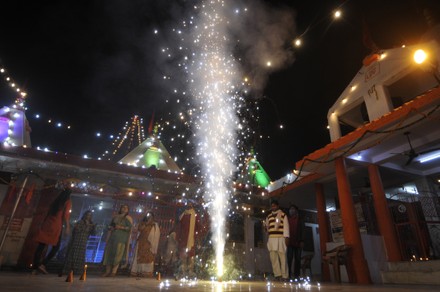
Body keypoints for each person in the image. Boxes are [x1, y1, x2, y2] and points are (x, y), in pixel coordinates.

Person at [32, 188, 72, 275]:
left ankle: (34, 268)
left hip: (47, 223)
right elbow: (66, 216)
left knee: (41, 246)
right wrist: (67, 227)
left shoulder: (56, 201)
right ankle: (43, 264)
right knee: (56, 247)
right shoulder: (67, 202)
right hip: (56, 225)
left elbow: (47, 212)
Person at [60, 210, 96, 277]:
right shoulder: (80, 222)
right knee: (74, 253)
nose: (89, 216)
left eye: (90, 215)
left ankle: (77, 270)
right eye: (88, 215)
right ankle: (69, 270)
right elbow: (76, 230)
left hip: (84, 240)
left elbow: (93, 233)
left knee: (81, 254)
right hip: (77, 239)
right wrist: (86, 226)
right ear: (85, 215)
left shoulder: (91, 223)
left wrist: (93, 227)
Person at [102, 204, 133, 277]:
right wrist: (111, 228)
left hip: (121, 239)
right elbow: (110, 226)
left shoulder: (128, 218)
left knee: (118, 255)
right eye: (123, 207)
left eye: (126, 208)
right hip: (112, 238)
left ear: (128, 210)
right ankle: (107, 271)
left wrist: (121, 227)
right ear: (120, 208)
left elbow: (129, 228)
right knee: (109, 254)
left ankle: (113, 272)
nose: (124, 209)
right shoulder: (115, 217)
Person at [130, 212, 160, 278]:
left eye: (150, 216)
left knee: (148, 257)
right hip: (141, 242)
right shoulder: (143, 223)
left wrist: (152, 243)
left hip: (150, 243)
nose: (149, 217)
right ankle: (138, 271)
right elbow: (139, 229)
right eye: (148, 216)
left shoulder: (154, 225)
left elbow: (156, 235)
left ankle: (146, 272)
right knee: (139, 256)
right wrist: (145, 223)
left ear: (153, 217)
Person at [265, 199, 289, 281]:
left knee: (283, 258)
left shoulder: (283, 215)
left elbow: (286, 228)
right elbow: (267, 229)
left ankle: (285, 276)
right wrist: (264, 227)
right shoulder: (268, 216)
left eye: (274, 206)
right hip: (271, 239)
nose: (273, 207)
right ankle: (277, 275)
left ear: (278, 206)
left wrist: (286, 238)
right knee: (273, 258)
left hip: (281, 239)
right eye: (272, 206)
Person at [176, 204, 199, 278]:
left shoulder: (184, 215)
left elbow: (179, 227)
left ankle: (185, 273)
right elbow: (199, 227)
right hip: (188, 240)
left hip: (186, 240)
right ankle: (187, 273)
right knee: (188, 257)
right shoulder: (189, 215)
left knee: (187, 257)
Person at [286, 204, 305, 280]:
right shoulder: (287, 219)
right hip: (290, 243)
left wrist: (302, 240)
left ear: (296, 210)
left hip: (298, 242)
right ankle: (289, 275)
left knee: (297, 259)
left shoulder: (300, 219)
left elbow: (303, 230)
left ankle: (297, 276)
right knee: (289, 259)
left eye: (293, 209)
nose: (291, 210)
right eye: (290, 209)